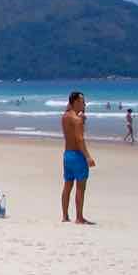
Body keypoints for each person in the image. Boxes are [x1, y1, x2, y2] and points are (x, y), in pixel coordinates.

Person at [61, 91, 96, 224]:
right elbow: (80, 139)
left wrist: (80, 115)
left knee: (67, 185)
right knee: (80, 187)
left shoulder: (65, 116)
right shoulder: (77, 120)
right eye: (82, 101)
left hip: (67, 155)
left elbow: (69, 111)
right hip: (77, 155)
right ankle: (79, 217)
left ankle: (65, 216)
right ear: (75, 102)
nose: (84, 104)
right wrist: (88, 157)